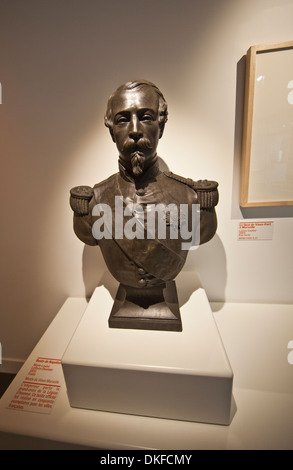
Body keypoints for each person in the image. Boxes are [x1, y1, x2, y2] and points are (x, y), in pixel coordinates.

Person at [70, 80, 218, 330]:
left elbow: (203, 232)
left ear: (161, 127)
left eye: (146, 117)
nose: (135, 129)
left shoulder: (191, 197)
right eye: (123, 119)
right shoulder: (94, 199)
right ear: (111, 130)